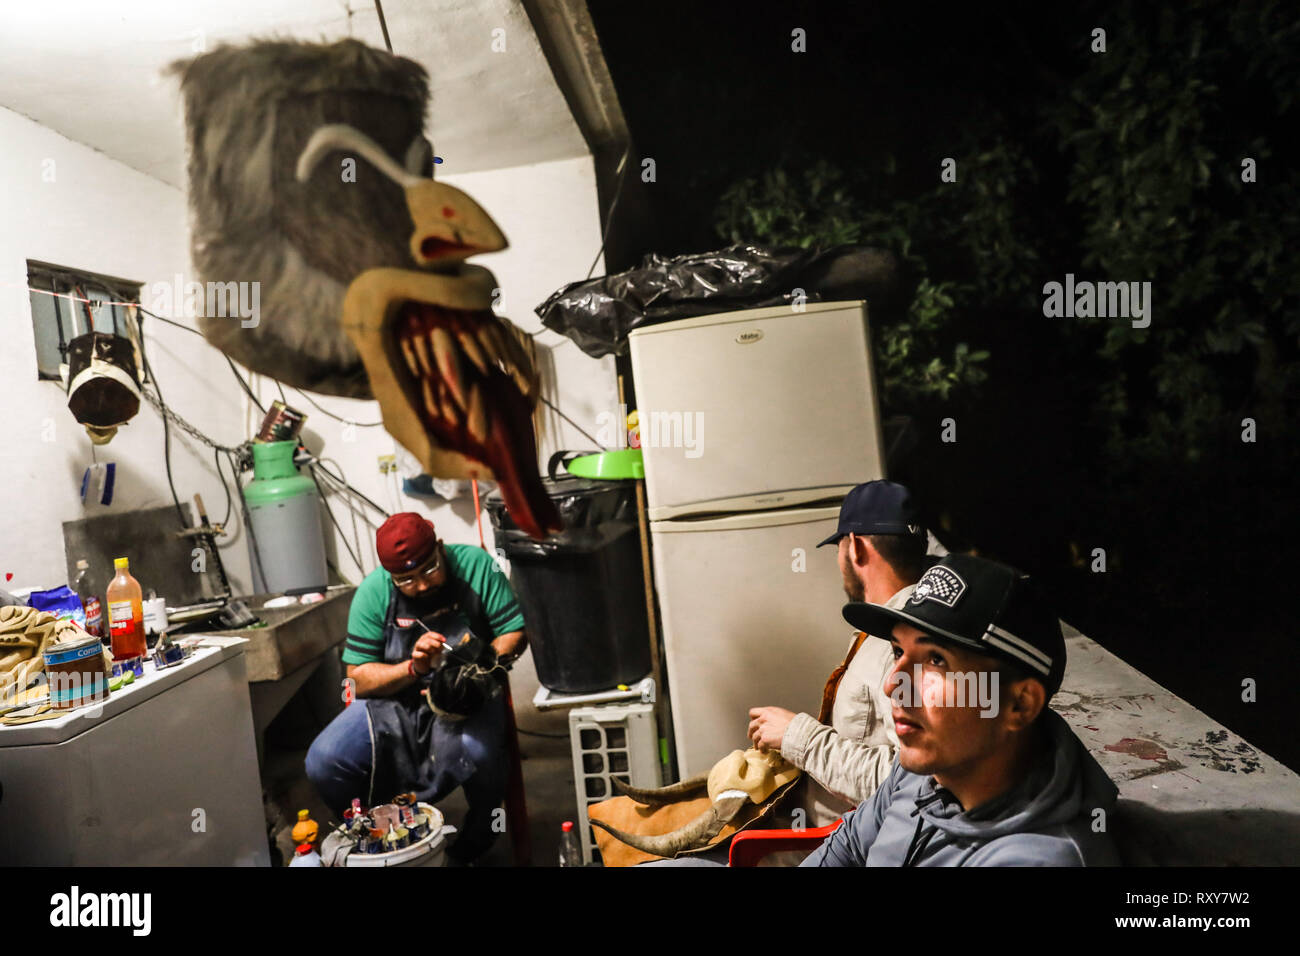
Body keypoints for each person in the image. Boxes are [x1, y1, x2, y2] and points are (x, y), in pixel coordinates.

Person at [802, 554, 1120, 866]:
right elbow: (848, 846)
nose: (892, 685)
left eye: (936, 660)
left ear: (1019, 704)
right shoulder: (924, 768)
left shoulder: (1038, 857)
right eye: (898, 651)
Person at [305, 512, 526, 864]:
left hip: (466, 700)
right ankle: (377, 842)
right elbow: (355, 678)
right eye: (405, 580)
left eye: (428, 570)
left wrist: (479, 666)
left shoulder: (477, 565)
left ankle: (473, 843)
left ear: (440, 548)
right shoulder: (373, 592)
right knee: (324, 760)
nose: (420, 586)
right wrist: (414, 667)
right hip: (394, 703)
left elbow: (514, 630)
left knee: (480, 754)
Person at [748, 480, 930, 829]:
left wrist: (798, 736)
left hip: (816, 847)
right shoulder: (884, 625)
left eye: (838, 546)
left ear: (857, 548)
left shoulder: (903, 641)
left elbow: (909, 780)